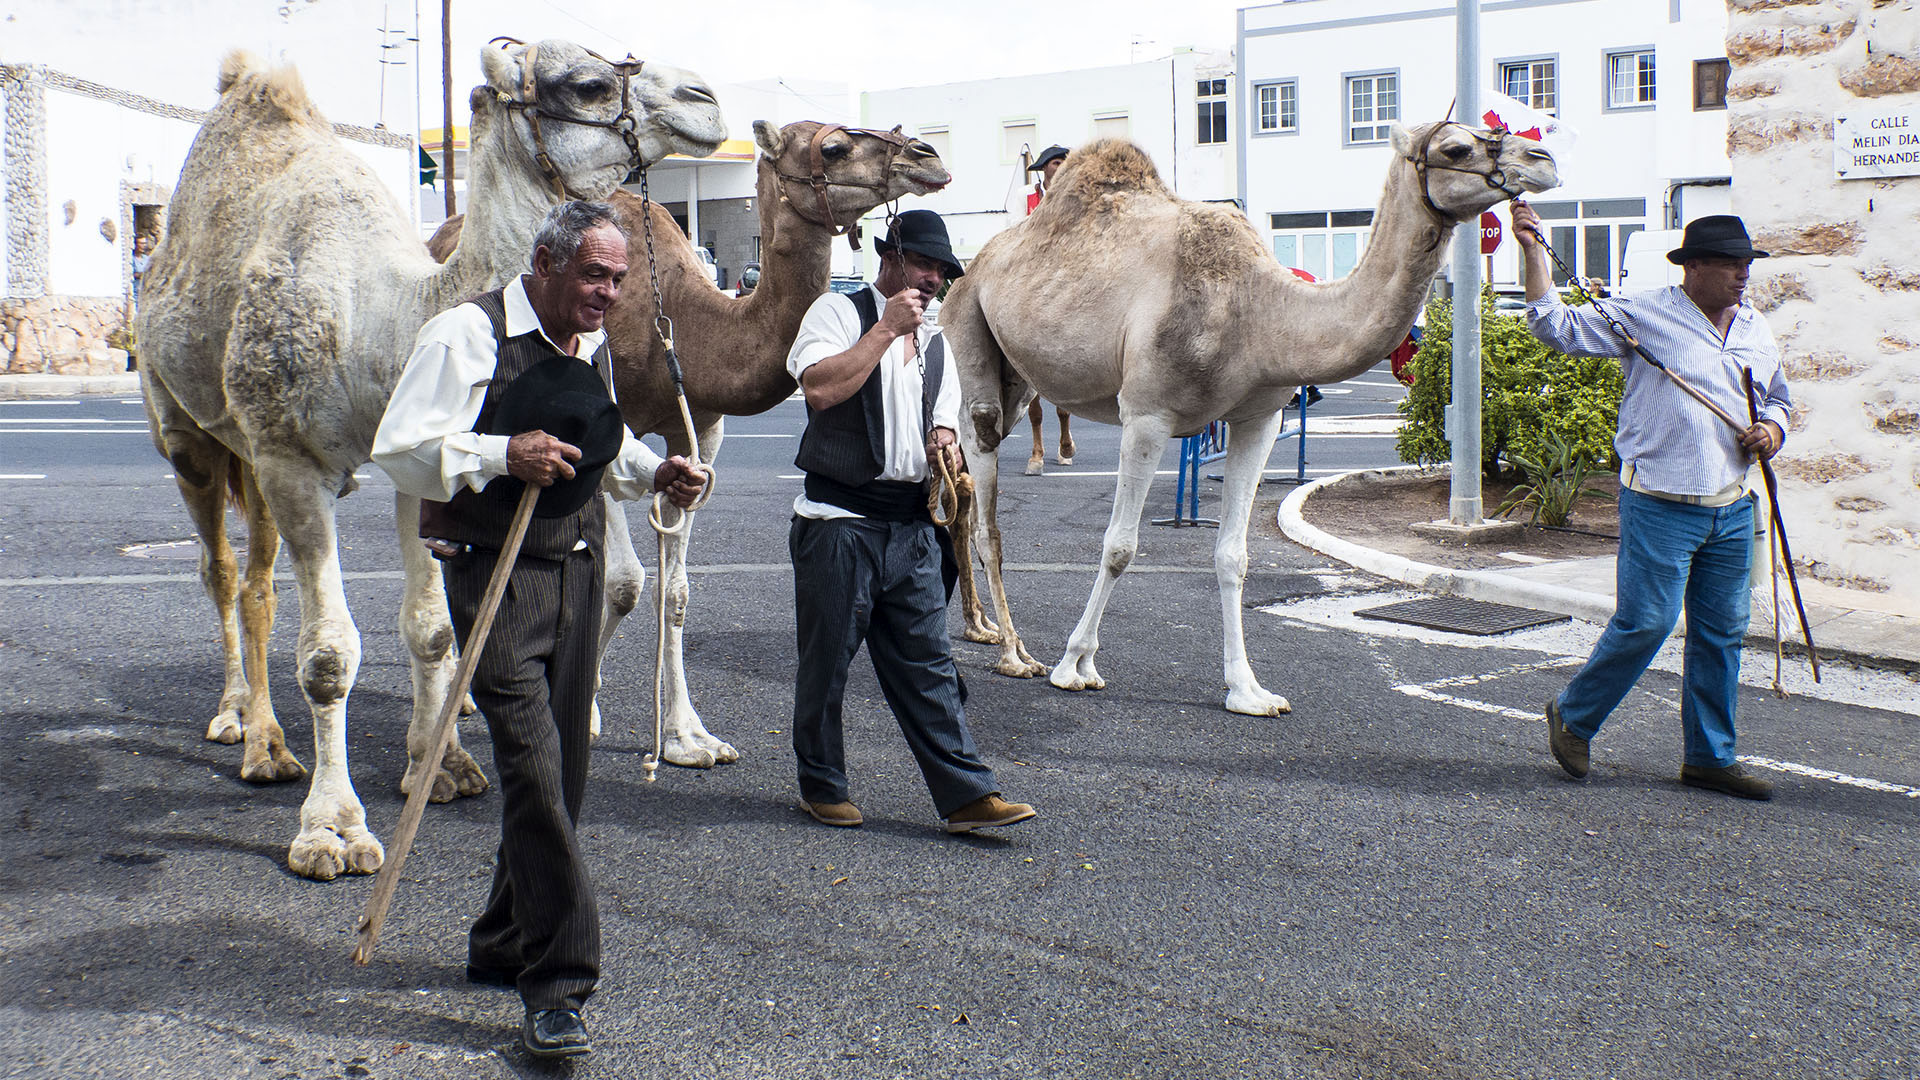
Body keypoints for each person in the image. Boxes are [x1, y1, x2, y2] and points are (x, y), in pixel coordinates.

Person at [371, 200, 707, 1059]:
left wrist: (652, 469)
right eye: (595, 275)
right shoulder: (466, 334)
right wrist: (496, 454)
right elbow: (399, 448)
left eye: (620, 279)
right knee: (535, 771)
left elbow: (602, 440)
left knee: (564, 776)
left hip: (580, 567)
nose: (609, 294)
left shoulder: (585, 342)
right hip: (499, 576)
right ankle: (557, 985)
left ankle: (499, 942)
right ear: (547, 264)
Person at [1513, 204, 1792, 801]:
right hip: (1660, 502)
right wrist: (1535, 250)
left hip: (1733, 505)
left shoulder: (1754, 326)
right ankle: (1574, 716)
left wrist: (1771, 430)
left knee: (1722, 632)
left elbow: (1777, 398)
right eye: (1729, 264)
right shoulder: (1645, 314)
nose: (1743, 275)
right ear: (1692, 268)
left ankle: (1709, 757)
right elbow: (1552, 326)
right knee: (1648, 622)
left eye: (1747, 264)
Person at [785, 208, 1035, 834]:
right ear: (889, 257)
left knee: (928, 665)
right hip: (838, 522)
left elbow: (940, 417)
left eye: (942, 271)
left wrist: (943, 442)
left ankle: (965, 795)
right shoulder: (838, 314)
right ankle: (821, 784)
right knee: (828, 664)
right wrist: (884, 331)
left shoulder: (937, 343)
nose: (933, 279)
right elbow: (819, 389)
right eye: (924, 264)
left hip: (910, 529)